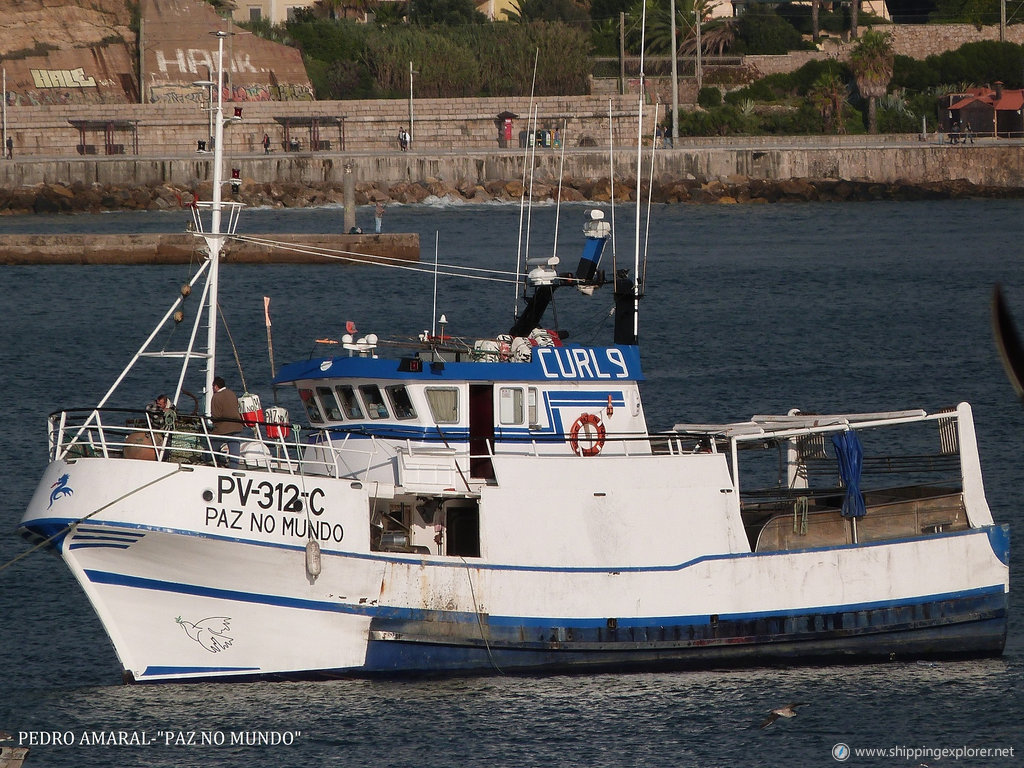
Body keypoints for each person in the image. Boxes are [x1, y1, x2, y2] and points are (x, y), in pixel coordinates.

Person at [210, 376, 244, 467]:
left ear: (216, 386)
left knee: (211, 447)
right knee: (234, 454)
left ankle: (208, 461)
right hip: (236, 427)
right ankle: (233, 470)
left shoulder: (216, 397)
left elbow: (216, 415)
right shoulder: (232, 393)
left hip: (222, 429)